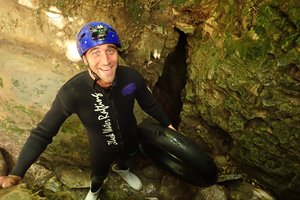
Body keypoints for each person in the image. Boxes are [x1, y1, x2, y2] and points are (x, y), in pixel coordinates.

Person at [0, 21, 174, 200]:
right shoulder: (73, 92)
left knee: (128, 158)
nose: (106, 60)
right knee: (98, 173)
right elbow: (43, 133)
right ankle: (95, 190)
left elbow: (149, 103)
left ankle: (123, 170)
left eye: (110, 50)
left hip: (131, 137)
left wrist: (167, 124)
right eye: (95, 52)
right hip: (101, 148)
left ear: (117, 53)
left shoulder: (130, 78)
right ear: (85, 59)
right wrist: (17, 173)